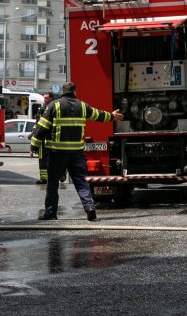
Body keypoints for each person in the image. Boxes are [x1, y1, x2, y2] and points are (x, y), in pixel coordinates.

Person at [30, 82, 124, 221]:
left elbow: (42, 128)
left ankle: (50, 213)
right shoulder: (83, 106)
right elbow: (98, 115)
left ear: (63, 92)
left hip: (57, 153)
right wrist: (111, 116)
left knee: (53, 183)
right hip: (77, 153)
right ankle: (90, 208)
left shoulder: (54, 105)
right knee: (81, 182)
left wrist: (34, 146)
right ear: (75, 92)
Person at [30, 92, 53, 184]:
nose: (45, 100)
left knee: (53, 159)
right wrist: (32, 132)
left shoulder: (54, 107)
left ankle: (59, 174)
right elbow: (38, 123)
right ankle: (43, 178)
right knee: (42, 159)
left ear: (51, 98)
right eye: (44, 98)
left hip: (51, 138)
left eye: (46, 98)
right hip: (42, 139)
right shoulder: (42, 109)